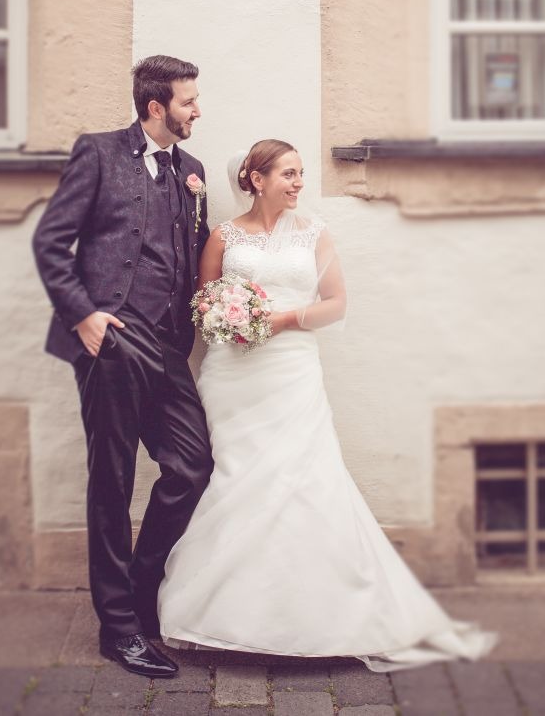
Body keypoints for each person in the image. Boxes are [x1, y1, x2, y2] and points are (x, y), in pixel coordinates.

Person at [157, 138, 496, 671]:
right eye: (287, 174)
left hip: (291, 369)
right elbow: (202, 307)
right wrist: (234, 319)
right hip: (233, 376)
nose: (297, 183)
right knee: (237, 478)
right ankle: (228, 614)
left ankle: (314, 611)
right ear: (256, 178)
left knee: (302, 477)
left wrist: (281, 319)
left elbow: (336, 303)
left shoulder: (315, 234)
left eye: (300, 174)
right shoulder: (222, 236)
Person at [32, 55, 214, 679]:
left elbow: (194, 252)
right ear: (155, 107)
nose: (198, 110)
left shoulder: (192, 172)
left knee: (192, 467)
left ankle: (139, 593)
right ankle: (118, 630)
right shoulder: (99, 153)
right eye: (189, 101)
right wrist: (84, 316)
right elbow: (51, 241)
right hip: (108, 339)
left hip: (166, 345)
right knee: (110, 482)